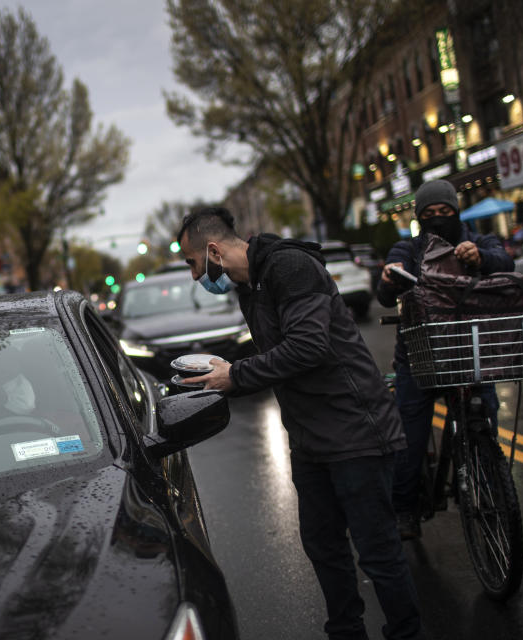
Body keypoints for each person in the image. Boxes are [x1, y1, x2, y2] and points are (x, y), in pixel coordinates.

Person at [178, 207, 424, 640]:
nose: (196, 276)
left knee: (378, 553)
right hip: (311, 438)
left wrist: (235, 375)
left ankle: (407, 633)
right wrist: (233, 372)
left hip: (356, 430)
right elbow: (281, 359)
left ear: (213, 250)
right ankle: (345, 632)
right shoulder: (248, 286)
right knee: (324, 548)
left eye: (193, 263)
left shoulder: (290, 267)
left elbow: (307, 347)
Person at [376, 179, 515, 540]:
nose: (438, 218)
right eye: (429, 214)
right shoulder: (408, 248)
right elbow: (388, 288)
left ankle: (489, 479)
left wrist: (481, 257)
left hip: (471, 354)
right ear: (419, 217)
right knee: (410, 437)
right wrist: (391, 278)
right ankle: (405, 509)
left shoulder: (478, 240)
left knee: (486, 414)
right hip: (420, 359)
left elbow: (506, 262)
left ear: (456, 211)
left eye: (445, 212)